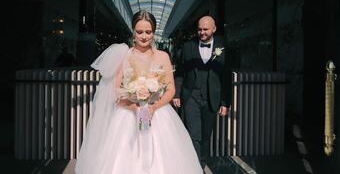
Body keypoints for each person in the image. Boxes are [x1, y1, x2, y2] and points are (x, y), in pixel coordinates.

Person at [75, 10, 202, 174]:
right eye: (139, 32)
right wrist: (134, 106)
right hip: (128, 115)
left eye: (148, 32)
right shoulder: (124, 56)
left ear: (154, 33)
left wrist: (153, 107)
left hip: (158, 113)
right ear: (133, 32)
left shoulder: (163, 56)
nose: (144, 36)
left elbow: (171, 89)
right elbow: (116, 90)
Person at [172, 15, 231, 169]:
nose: (202, 32)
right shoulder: (187, 46)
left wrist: (225, 103)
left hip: (212, 98)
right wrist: (177, 94)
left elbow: (225, 77)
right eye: (199, 29)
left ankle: (202, 164)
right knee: (194, 134)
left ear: (214, 29)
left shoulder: (223, 46)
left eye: (205, 29)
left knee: (205, 135)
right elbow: (180, 73)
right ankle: (195, 167)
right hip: (191, 96)